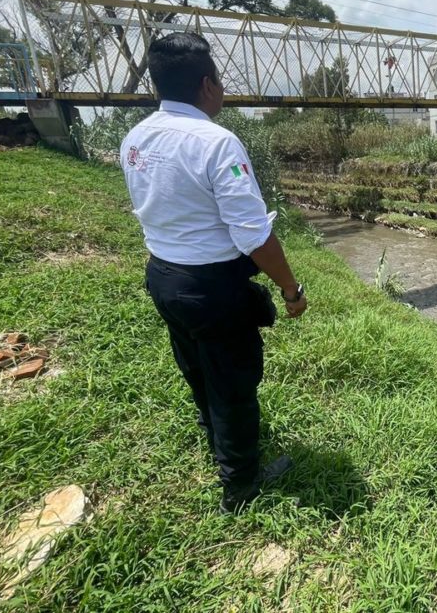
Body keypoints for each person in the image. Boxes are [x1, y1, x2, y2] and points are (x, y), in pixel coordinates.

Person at [120, 32, 308, 514]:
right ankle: (241, 487)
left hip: (163, 276)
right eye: (220, 80)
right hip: (212, 289)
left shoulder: (136, 138)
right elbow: (254, 235)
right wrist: (290, 289)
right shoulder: (216, 142)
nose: (222, 89)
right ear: (207, 85)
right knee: (234, 386)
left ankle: (219, 443)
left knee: (198, 370)